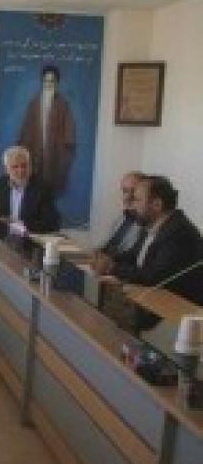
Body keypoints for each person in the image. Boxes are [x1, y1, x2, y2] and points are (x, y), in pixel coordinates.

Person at [92, 175, 203, 307]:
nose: (133, 205)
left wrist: (112, 267)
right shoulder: (152, 225)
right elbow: (134, 255)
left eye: (137, 200)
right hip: (152, 299)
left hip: (176, 309)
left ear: (156, 205)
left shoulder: (178, 233)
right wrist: (107, 258)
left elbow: (154, 276)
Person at [18, 64, 76, 195]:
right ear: (42, 82)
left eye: (52, 81)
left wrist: (66, 154)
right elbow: (25, 130)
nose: (48, 84)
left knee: (50, 192)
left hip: (55, 156)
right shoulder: (33, 104)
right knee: (32, 192)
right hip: (34, 155)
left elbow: (70, 133)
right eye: (46, 81)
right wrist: (23, 151)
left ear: (57, 83)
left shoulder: (63, 104)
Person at [0, 145, 61, 234]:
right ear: (6, 169)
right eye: (15, 167)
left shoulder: (42, 189)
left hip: (29, 238)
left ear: (30, 166)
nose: (20, 171)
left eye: (24, 166)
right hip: (1, 238)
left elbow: (53, 223)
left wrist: (20, 224)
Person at [99, 171, 144, 258]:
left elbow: (131, 258)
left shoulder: (146, 223)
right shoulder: (123, 217)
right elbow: (105, 244)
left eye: (134, 191)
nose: (127, 197)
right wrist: (95, 253)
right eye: (125, 191)